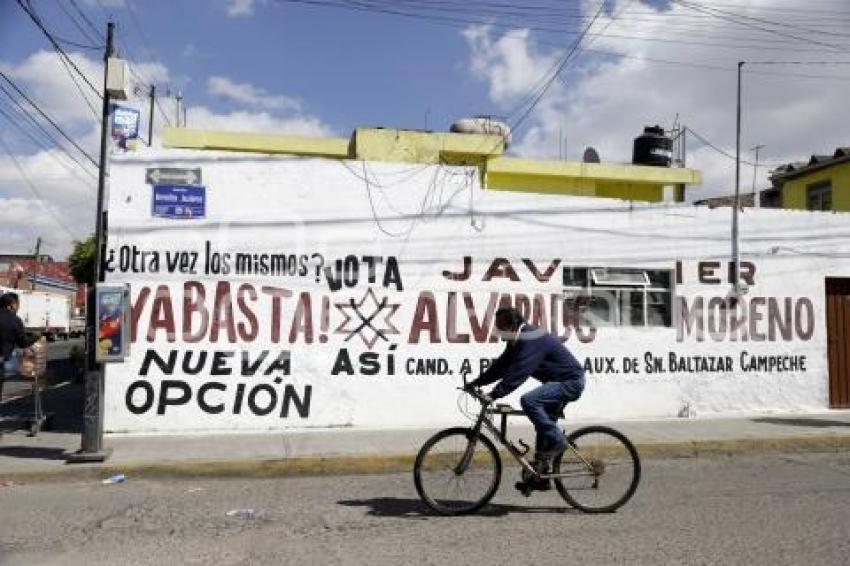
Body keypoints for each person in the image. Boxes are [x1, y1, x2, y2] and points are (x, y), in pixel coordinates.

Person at [467, 307, 585, 492]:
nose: (499, 334)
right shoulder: (517, 341)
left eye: (501, 329)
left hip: (569, 382)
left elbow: (519, 371)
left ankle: (558, 440)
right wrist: (477, 383)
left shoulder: (530, 338)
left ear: (512, 326)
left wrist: (494, 394)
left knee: (530, 401)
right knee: (543, 426)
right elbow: (501, 366)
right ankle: (541, 476)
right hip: (556, 383)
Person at [0, 292, 40, 401]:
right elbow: (23, 342)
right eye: (18, 304)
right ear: (12, 305)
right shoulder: (14, 319)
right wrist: (36, 336)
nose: (18, 307)